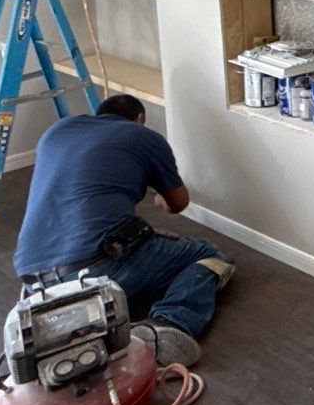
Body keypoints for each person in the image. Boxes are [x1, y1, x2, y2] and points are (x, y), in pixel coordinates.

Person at [12, 94, 233, 367]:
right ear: (139, 119)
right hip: (94, 269)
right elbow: (178, 203)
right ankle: (168, 323)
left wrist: (145, 233)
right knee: (209, 255)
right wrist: (160, 198)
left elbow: (89, 200)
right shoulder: (144, 137)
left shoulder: (59, 130)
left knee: (141, 253)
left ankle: (83, 317)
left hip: (32, 279)